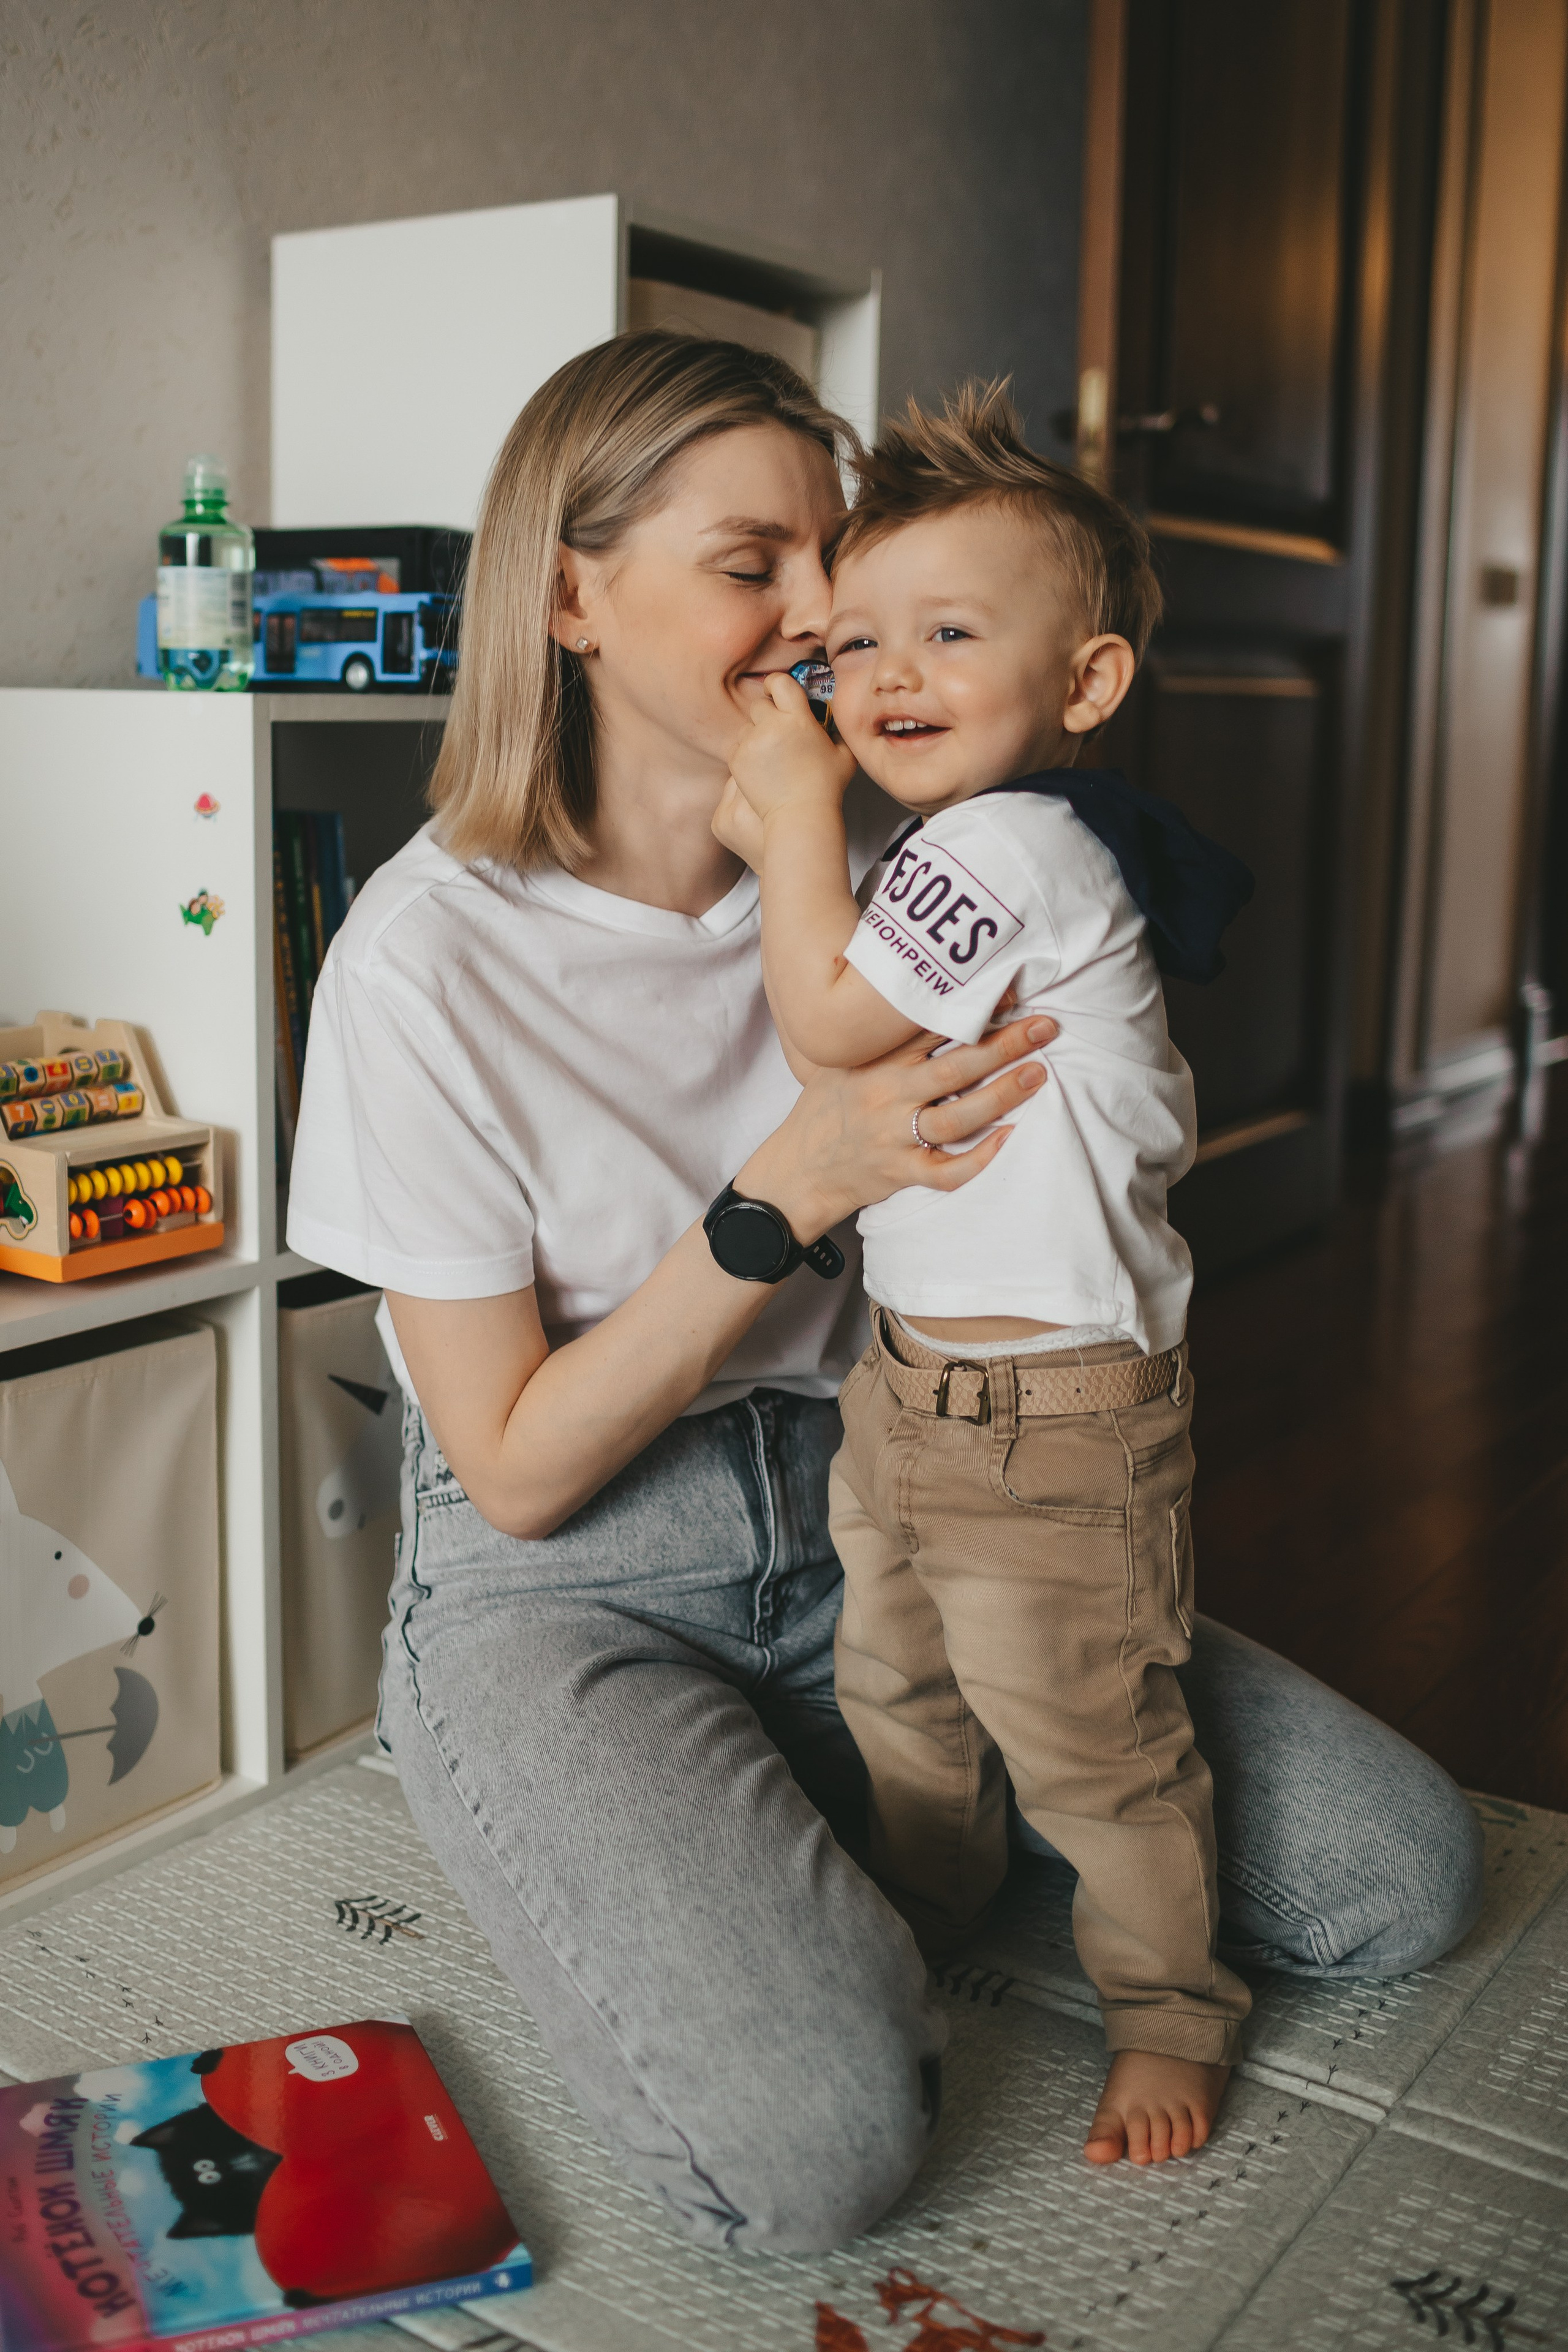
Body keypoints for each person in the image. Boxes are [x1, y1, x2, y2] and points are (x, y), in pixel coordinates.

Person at [287, 330, 1484, 2253]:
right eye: (755, 563)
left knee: (1399, 1880)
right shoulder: (421, 963)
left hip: (894, 1491)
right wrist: (791, 1191)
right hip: (580, 1568)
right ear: (574, 594)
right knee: (817, 2148)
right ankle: (701, 1830)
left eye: (833, 563)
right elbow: (512, 1471)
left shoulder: (913, 869)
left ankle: (884, 1809)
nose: (827, 622)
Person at [717, 381, 1262, 2168]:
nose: (886, 676)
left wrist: (794, 811)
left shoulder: (1003, 846)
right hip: (913, 1387)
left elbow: (824, 1030)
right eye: (857, 641)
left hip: (1053, 1424)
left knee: (1096, 1743)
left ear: (1085, 684)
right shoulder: (956, 849)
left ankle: (1171, 2008)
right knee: (903, 1692)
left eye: (952, 634)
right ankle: (938, 1913)